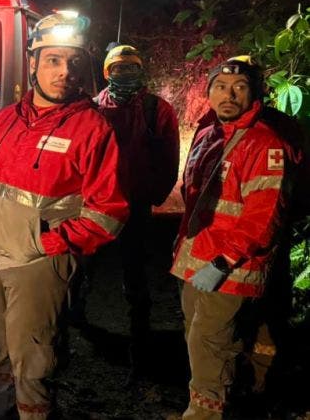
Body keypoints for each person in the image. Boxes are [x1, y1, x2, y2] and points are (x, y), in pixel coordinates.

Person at [0, 11, 129, 419]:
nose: (64, 71)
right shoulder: (3, 122)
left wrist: (45, 244)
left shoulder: (93, 129)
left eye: (73, 62)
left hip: (41, 264)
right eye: (53, 59)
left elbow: (109, 212)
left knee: (34, 363)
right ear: (33, 63)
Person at [171, 56, 296, 420]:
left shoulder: (264, 144)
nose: (229, 94)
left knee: (210, 343)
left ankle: (205, 414)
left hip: (229, 268)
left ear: (255, 93)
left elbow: (264, 216)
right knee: (198, 340)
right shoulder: (209, 133)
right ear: (208, 92)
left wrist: (224, 261)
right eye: (221, 87)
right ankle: (214, 404)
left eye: (240, 88)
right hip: (197, 260)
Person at [85, 44, 180, 377]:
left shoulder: (157, 109)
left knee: (134, 270)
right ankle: (75, 325)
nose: (125, 74)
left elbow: (169, 157)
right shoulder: (91, 109)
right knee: (83, 264)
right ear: (107, 73)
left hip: (135, 202)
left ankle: (138, 336)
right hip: (94, 202)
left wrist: (154, 194)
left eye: (131, 68)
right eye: (118, 69)